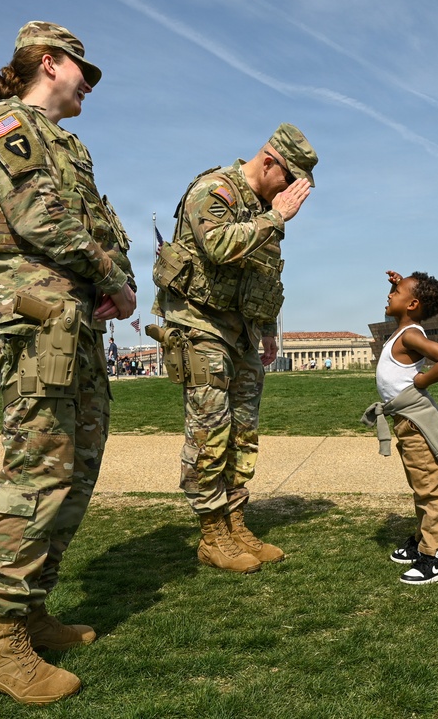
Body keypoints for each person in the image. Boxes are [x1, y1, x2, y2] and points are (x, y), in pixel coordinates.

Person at [0, 21, 136, 703]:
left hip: (70, 313)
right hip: (33, 309)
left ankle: (30, 611)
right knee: (40, 463)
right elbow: (40, 220)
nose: (89, 84)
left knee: (78, 460)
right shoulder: (8, 124)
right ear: (49, 63)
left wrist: (115, 278)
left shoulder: (67, 143)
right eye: (83, 70)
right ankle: (2, 644)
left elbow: (98, 221)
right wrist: (110, 275)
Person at [153, 123, 316, 573]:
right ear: (269, 163)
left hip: (241, 329)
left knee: (243, 426)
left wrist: (264, 327)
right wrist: (277, 217)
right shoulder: (215, 190)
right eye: (290, 181)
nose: (290, 194)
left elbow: (262, 273)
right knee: (211, 427)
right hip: (200, 324)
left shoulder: (261, 207)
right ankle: (211, 534)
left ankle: (235, 520)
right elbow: (220, 247)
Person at [361, 270, 438, 584]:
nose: (390, 295)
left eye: (396, 292)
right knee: (419, 486)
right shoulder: (402, 329)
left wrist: (422, 380)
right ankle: (420, 543)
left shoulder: (411, 335)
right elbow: (406, 303)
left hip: (416, 424)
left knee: (428, 490)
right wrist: (401, 285)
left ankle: (434, 557)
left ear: (413, 304)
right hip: (405, 422)